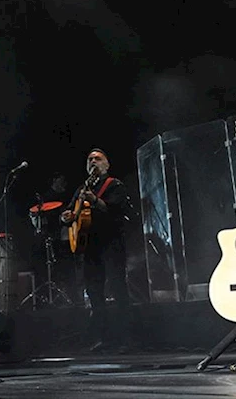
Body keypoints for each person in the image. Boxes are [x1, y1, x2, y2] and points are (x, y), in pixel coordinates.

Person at [60, 148, 134, 352]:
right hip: (90, 246)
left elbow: (116, 210)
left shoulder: (114, 185)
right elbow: (70, 211)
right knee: (94, 292)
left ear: (106, 165)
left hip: (111, 242)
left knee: (118, 288)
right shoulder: (81, 189)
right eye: (90, 159)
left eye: (98, 159)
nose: (93, 161)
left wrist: (94, 200)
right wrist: (66, 217)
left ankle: (125, 339)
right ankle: (103, 338)